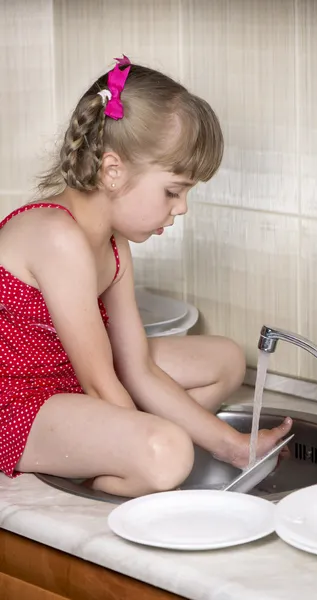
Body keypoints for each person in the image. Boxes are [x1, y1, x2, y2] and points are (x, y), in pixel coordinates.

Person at [0, 56, 292, 498]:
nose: (182, 208)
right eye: (173, 191)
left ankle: (105, 450)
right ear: (113, 171)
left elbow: (135, 366)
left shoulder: (115, 245)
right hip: (19, 402)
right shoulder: (56, 236)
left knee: (226, 360)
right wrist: (151, 435)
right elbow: (101, 382)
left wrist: (233, 446)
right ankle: (106, 460)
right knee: (169, 450)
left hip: (70, 380)